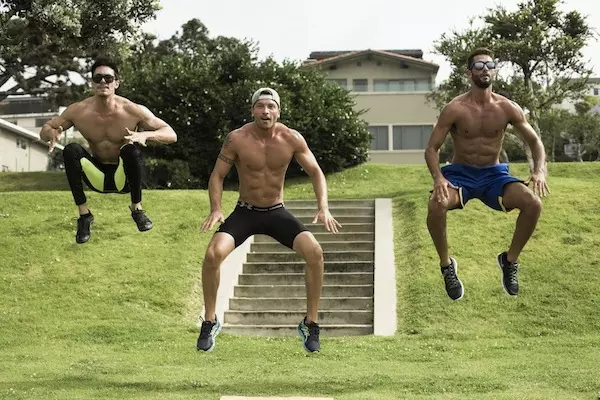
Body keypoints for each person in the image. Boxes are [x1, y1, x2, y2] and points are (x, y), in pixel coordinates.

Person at [196, 87, 341, 353]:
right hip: (245, 212)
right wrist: (216, 208)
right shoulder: (237, 139)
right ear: (253, 110)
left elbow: (316, 172)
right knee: (213, 254)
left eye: (271, 106)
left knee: (315, 253)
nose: (266, 111)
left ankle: (311, 323)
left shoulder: (292, 138)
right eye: (261, 106)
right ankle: (210, 320)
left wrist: (324, 207)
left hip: (276, 212)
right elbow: (217, 175)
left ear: (279, 110)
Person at [425, 47, 550, 301]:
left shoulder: (507, 107)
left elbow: (535, 142)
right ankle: (446, 265)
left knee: (533, 203)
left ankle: (509, 261)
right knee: (436, 205)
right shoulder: (455, 108)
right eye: (479, 66)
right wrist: (438, 178)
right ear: (469, 73)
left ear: (495, 71)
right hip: (461, 174)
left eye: (490, 65)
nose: (485, 69)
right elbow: (431, 149)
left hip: (494, 174)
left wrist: (539, 171)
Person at [39, 57, 177, 244]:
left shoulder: (133, 110)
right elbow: (45, 130)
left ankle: (137, 209)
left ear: (116, 83)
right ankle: (84, 215)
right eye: (98, 78)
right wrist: (51, 133)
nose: (103, 82)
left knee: (130, 150)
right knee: (71, 150)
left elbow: (171, 134)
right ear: (92, 83)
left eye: (108, 78)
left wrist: (146, 136)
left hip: (124, 178)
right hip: (97, 176)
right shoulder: (78, 111)